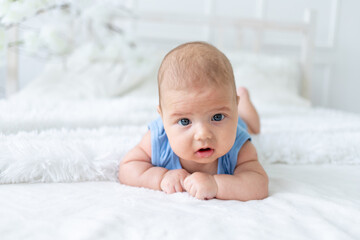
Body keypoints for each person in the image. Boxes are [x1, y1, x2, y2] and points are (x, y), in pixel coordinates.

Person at [118, 41, 268, 201]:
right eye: (184, 121)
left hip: (241, 122)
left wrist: (216, 185)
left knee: (252, 126)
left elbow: (259, 185)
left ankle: (243, 99)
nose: (203, 134)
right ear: (163, 118)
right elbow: (127, 168)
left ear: (234, 108)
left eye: (217, 117)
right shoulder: (159, 139)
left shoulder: (240, 147)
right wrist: (161, 177)